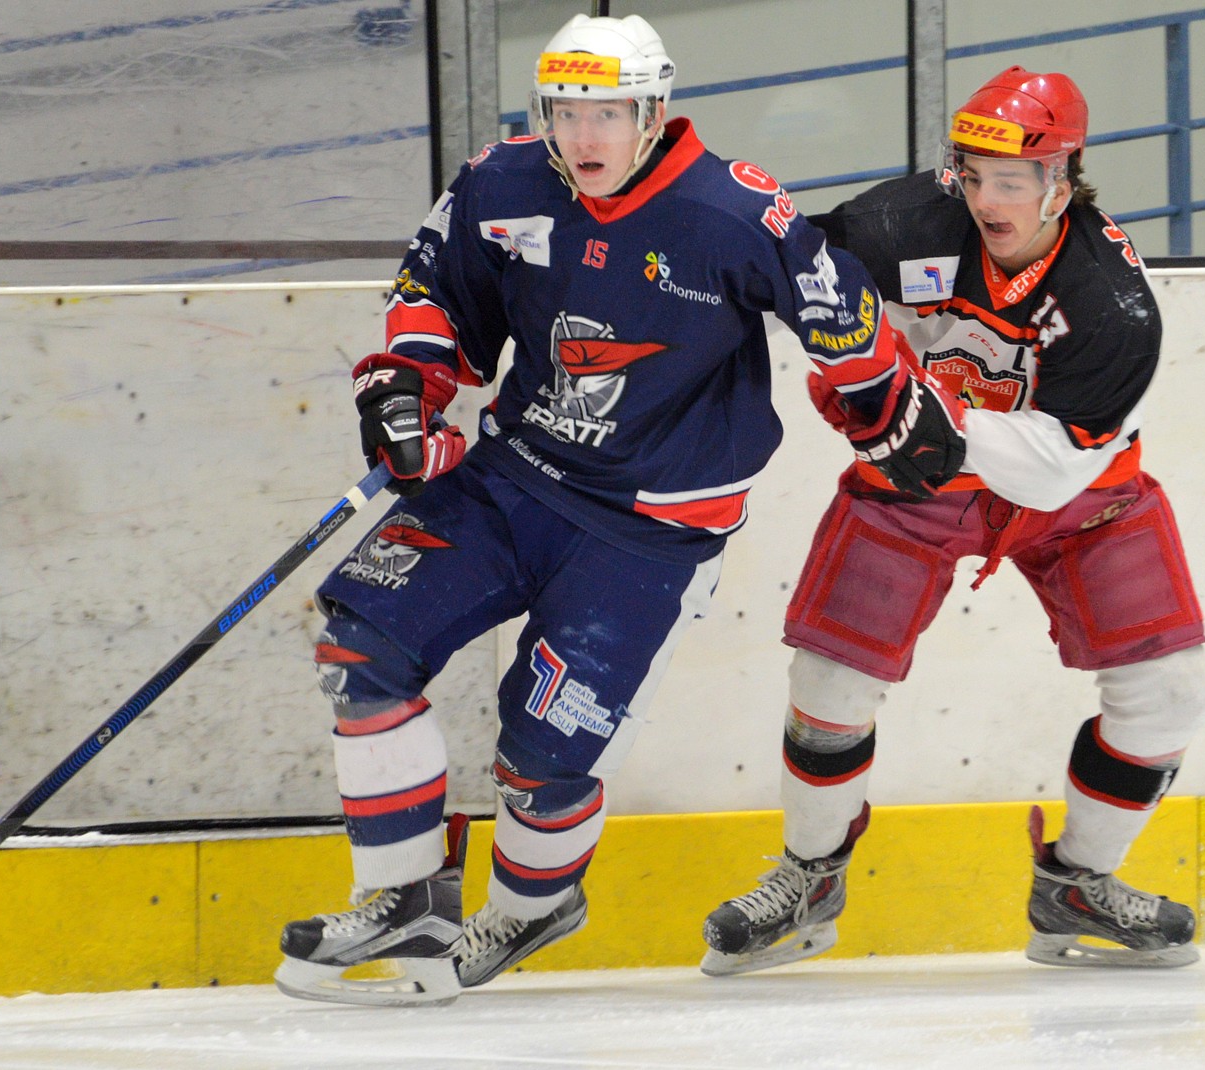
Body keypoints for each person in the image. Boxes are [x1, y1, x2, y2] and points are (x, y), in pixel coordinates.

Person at [273, 13, 963, 1007]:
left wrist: (887, 403)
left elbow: (835, 308)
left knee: (542, 762)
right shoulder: (502, 183)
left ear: (653, 111)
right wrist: (402, 390)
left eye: (606, 113)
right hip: (512, 479)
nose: (582, 135)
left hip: (649, 533)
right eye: (564, 111)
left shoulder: (730, 209)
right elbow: (435, 294)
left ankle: (531, 904)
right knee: (360, 650)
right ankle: (405, 896)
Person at [701, 66, 1205, 976]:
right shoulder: (906, 222)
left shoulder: (1112, 302)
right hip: (916, 481)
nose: (986, 200)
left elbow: (1058, 466)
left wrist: (922, 420)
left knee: (1172, 690)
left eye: (1011, 181)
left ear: (1062, 179)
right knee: (829, 679)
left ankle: (1077, 888)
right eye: (973, 176)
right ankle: (810, 878)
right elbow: (784, 276)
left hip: (1077, 493)